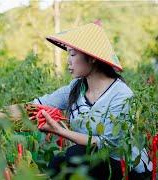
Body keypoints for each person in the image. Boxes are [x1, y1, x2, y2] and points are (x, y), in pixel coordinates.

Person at [28, 21, 153, 179]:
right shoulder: (76, 87)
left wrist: (60, 132)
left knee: (75, 155)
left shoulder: (121, 94)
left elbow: (106, 144)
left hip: (125, 168)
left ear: (92, 58)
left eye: (73, 54)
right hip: (94, 162)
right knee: (58, 162)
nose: (68, 61)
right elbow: (38, 104)